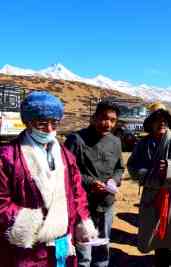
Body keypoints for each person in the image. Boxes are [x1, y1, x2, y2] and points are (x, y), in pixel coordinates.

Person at [0, 91, 98, 267]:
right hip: (28, 245)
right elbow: (2, 202)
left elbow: (77, 192)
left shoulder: (65, 155)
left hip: (62, 241)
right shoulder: (8, 157)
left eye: (54, 123)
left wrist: (82, 220)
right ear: (27, 122)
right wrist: (32, 220)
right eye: (42, 124)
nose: (50, 129)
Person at [127, 107, 171, 267]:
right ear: (150, 124)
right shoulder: (143, 143)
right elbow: (132, 166)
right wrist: (150, 176)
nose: (161, 124)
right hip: (152, 196)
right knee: (156, 238)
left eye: (164, 121)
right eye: (157, 121)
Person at [65, 100, 125, 267]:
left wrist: (114, 180)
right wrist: (90, 182)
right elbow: (68, 171)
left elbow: (120, 167)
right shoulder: (76, 140)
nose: (108, 123)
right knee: (84, 249)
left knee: (102, 247)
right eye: (104, 118)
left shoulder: (115, 141)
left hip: (107, 203)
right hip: (83, 203)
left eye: (113, 120)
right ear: (94, 118)